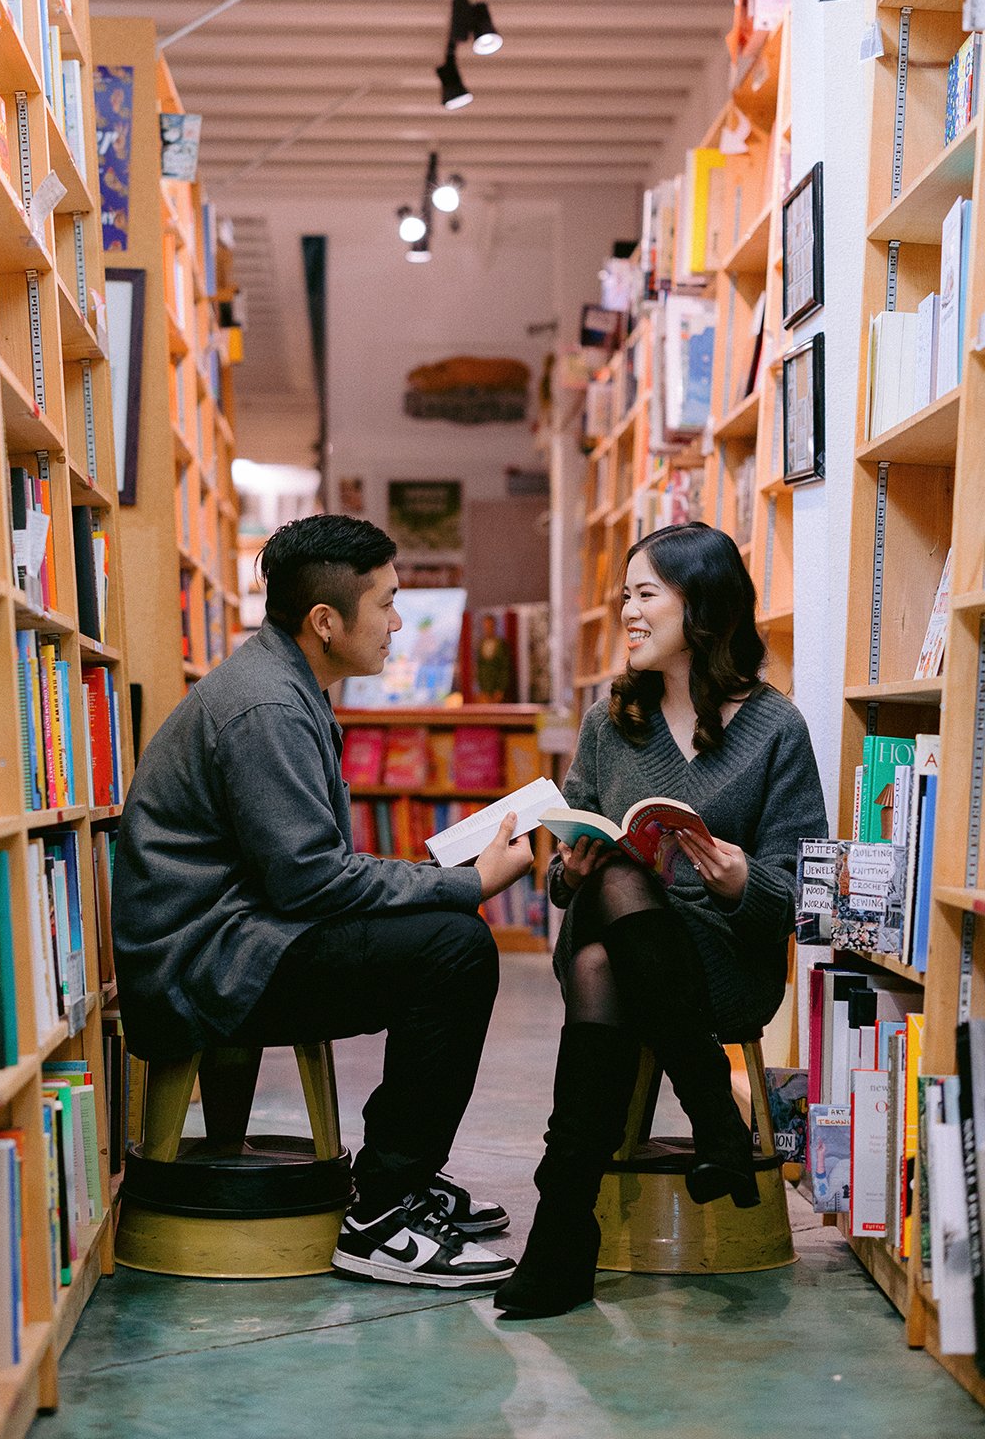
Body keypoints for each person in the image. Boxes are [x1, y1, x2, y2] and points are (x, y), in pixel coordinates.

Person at [112, 514, 535, 1289]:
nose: (399, 623)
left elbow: (309, 870)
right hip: (206, 970)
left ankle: (397, 1183)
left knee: (441, 930)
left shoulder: (281, 683)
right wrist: (468, 882)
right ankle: (383, 1211)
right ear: (326, 621)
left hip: (236, 940)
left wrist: (435, 882)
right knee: (456, 947)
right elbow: (312, 881)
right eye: (388, 604)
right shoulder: (267, 707)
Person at [495, 521, 828, 1320]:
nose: (629, 614)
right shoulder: (611, 721)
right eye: (624, 599)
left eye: (646, 595)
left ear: (701, 606)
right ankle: (712, 1108)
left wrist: (742, 876)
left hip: (721, 957)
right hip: (609, 933)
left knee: (609, 953)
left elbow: (802, 891)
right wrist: (567, 868)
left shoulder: (776, 728)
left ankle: (562, 1229)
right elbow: (567, 862)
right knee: (610, 875)